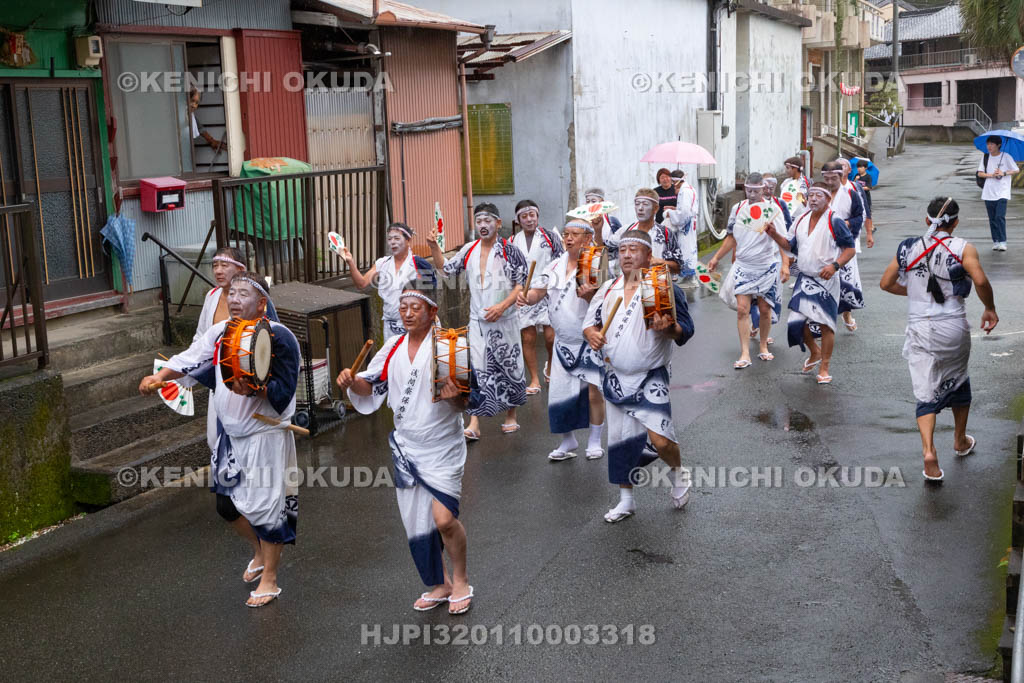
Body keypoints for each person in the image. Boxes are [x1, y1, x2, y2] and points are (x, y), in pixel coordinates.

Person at [139, 272, 301, 607]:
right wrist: (161, 376)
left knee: (267, 510)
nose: (235, 299)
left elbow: (284, 395)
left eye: (244, 294)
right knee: (226, 505)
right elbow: (191, 358)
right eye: (231, 293)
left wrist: (259, 387)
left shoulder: (281, 338)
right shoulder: (220, 333)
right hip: (232, 435)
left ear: (262, 302)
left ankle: (270, 578)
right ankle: (259, 553)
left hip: (265, 434)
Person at [338, 276, 475, 615]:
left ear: (432, 311)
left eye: (416, 308)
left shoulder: (449, 346)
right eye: (403, 308)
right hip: (407, 447)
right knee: (417, 524)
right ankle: (439, 583)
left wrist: (456, 398)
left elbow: (464, 403)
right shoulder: (393, 347)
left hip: (442, 446)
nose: (408, 314)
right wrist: (351, 380)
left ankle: (460, 580)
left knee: (443, 519)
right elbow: (372, 386)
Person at [879, 197, 999, 482]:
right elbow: (980, 281)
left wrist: (916, 294)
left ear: (926, 220)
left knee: (925, 390)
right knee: (958, 378)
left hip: (920, 327)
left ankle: (929, 451)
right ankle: (959, 440)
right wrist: (990, 308)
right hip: (953, 326)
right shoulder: (962, 248)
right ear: (955, 222)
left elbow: (885, 283)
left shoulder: (908, 247)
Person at [583, 230, 695, 523]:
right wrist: (593, 335)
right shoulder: (608, 288)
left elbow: (686, 329)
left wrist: (668, 329)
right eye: (622, 251)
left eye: (634, 250)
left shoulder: (664, 288)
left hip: (650, 376)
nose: (627, 255)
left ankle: (677, 472)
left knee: (660, 441)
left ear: (648, 255)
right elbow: (590, 325)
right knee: (620, 441)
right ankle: (626, 500)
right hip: (616, 377)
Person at [428, 203, 528, 440]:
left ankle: (511, 415)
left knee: (510, 367)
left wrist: (502, 306)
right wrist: (433, 247)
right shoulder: (468, 249)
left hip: (506, 321)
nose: (483, 225)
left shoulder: (509, 250)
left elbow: (520, 285)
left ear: (498, 223)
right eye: (479, 221)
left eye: (488, 220)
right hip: (478, 321)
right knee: (478, 370)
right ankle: (474, 422)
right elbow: (446, 269)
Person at [519, 218, 605, 461]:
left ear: (588, 239)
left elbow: (603, 304)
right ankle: (568, 440)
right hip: (562, 340)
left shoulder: (595, 266)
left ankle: (595, 440)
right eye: (566, 233)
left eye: (575, 234)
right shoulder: (555, 265)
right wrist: (528, 298)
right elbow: (539, 291)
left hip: (587, 339)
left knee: (592, 391)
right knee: (559, 393)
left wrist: (591, 295)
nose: (568, 238)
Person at [765, 183, 856, 385]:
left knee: (826, 325)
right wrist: (773, 234)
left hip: (827, 279)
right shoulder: (800, 220)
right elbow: (789, 245)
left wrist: (834, 266)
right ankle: (814, 352)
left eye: (818, 196)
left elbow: (849, 249)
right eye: (811, 195)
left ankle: (825, 367)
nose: (813, 199)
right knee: (795, 323)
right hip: (805, 278)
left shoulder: (835, 221)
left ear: (828, 199)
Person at [192, 248, 279, 454]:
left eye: (224, 265)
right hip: (219, 374)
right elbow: (201, 337)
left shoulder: (258, 300)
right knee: (215, 437)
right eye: (215, 265)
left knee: (248, 436)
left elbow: (270, 337)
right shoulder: (211, 296)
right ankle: (229, 480)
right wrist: (189, 366)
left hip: (250, 375)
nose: (218, 271)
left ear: (240, 269)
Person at [709, 173, 791, 369]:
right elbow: (731, 237)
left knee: (764, 310)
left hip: (766, 266)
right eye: (748, 190)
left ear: (763, 189)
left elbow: (783, 241)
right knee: (742, 310)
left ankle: (763, 345)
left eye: (756, 190)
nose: (752, 194)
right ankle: (745, 352)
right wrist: (716, 258)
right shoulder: (738, 209)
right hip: (744, 266)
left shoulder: (773, 210)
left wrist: (785, 264)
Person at [342, 222, 435, 338]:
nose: (393, 242)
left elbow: (430, 297)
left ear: (408, 240)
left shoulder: (419, 264)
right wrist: (351, 263)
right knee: (392, 355)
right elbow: (361, 284)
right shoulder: (382, 263)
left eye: (397, 238)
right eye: (390, 239)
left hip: (414, 323)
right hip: (389, 325)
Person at [510, 199, 564, 393]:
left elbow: (561, 261)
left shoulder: (550, 237)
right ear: (518, 220)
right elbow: (509, 268)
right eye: (524, 216)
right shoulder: (512, 241)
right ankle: (534, 379)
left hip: (547, 291)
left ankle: (550, 364)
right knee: (528, 337)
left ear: (538, 216)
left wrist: (554, 282)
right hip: (524, 293)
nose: (529, 219)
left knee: (550, 336)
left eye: (532, 215)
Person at [823, 160, 867, 331]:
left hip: (844, 247)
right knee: (823, 283)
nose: (829, 182)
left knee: (845, 284)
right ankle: (821, 322)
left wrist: (848, 224)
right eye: (826, 178)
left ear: (840, 176)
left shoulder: (850, 194)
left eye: (833, 178)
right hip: (823, 246)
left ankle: (847, 313)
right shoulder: (818, 194)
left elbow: (860, 216)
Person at [604, 188, 685, 277]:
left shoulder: (665, 234)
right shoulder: (625, 231)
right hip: (629, 286)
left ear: (656, 208)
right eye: (637, 204)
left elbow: (678, 267)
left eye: (645, 204)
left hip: (657, 287)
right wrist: (598, 229)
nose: (640, 208)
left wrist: (660, 262)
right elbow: (605, 253)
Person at [977, 135, 1018, 251]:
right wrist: (992, 175)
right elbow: (980, 173)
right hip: (988, 192)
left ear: (998, 145)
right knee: (992, 218)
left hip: (1002, 192)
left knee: (999, 217)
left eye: (991, 144)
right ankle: (995, 241)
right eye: (988, 144)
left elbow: (1016, 170)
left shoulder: (1006, 156)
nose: (989, 146)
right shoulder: (985, 157)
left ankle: (1003, 241)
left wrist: (1003, 173)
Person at [663, 170, 700, 281]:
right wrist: (676, 210)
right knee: (690, 248)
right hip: (690, 223)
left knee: (686, 249)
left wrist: (670, 213)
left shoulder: (684, 192)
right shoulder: (690, 188)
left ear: (675, 181)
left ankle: (689, 278)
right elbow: (687, 210)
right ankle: (690, 277)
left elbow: (683, 214)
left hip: (686, 226)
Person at [585, 187, 623, 277]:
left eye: (593, 201)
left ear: (602, 202)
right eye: (587, 201)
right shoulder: (582, 223)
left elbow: (621, 244)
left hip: (611, 266)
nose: (590, 204)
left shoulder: (612, 222)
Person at [188, 88, 228, 158]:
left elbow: (199, 128)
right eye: (192, 101)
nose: (194, 105)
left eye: (196, 103)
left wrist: (211, 140)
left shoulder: (191, 116)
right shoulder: (181, 115)